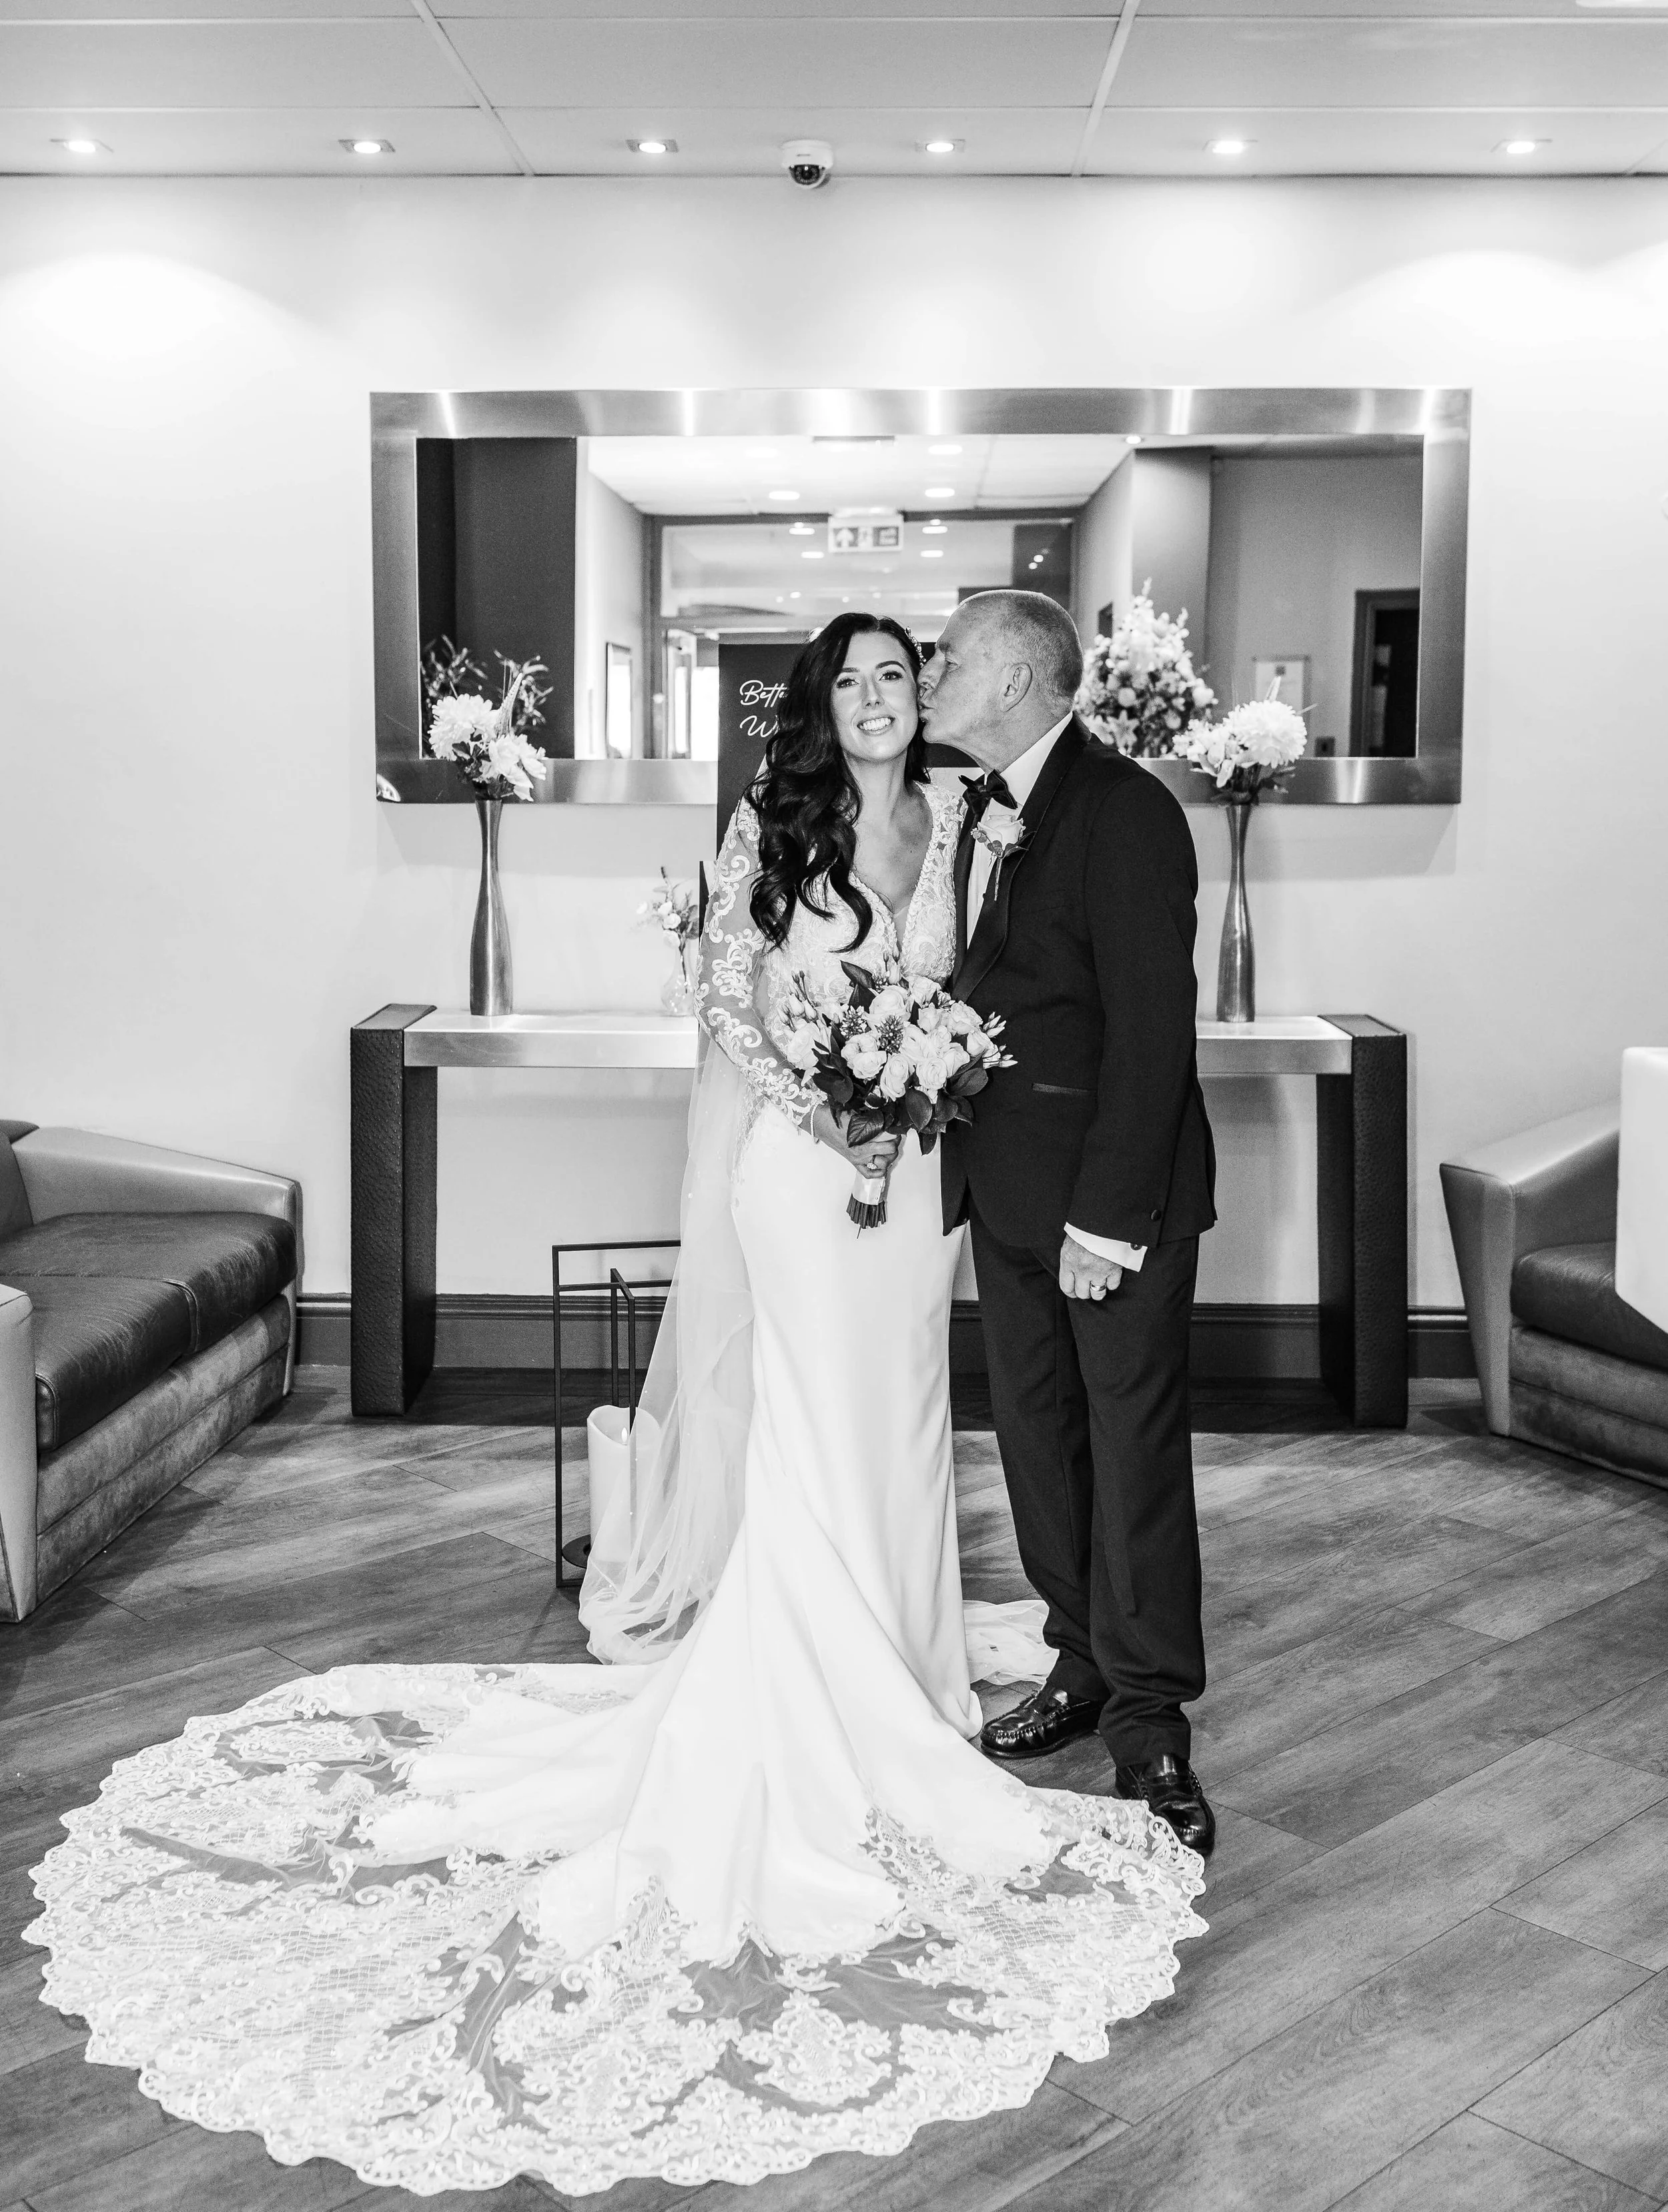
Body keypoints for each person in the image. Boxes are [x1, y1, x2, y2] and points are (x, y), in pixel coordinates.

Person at [29, 614, 1202, 2198]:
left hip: (939, 1178)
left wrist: (908, 1097)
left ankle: (979, 1673)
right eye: (860, 678)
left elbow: (1055, 1009)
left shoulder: (995, 806)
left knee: (922, 1425)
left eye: (906, 673)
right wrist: (836, 1108)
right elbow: (731, 1002)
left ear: (987, 683)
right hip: (814, 1174)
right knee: (828, 1422)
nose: (891, 697)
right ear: (816, 702)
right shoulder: (789, 818)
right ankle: (872, 1667)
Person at [923, 589, 1219, 1854]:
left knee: (1132, 1446)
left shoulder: (1127, 809)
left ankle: (1151, 1722)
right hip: (1008, 1198)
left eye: (948, 657)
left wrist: (1111, 1219)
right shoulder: (979, 811)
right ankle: (1081, 1661)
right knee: (1038, 1441)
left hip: (1111, 1209)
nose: (929, 673)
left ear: (1018, 677)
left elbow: (1154, 1034)